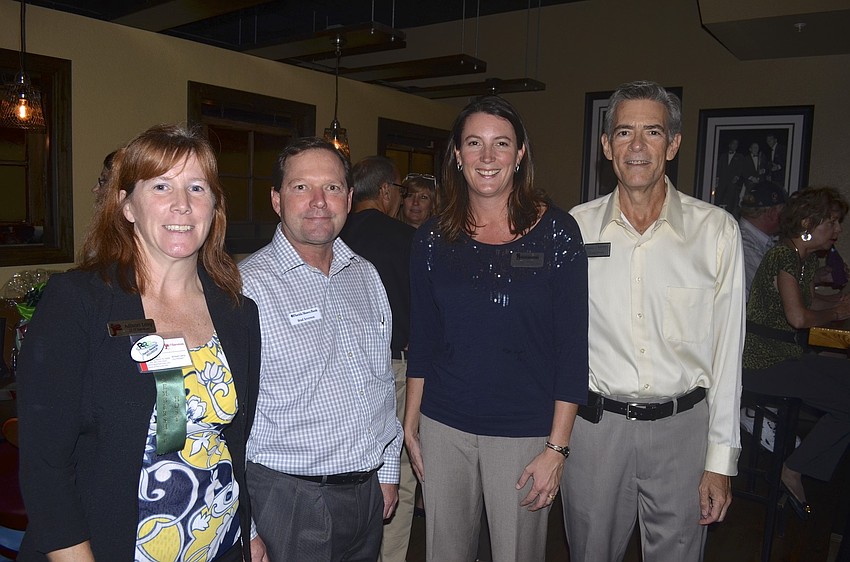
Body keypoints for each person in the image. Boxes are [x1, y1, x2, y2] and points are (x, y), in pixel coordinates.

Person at [16, 124, 260, 562]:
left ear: (214, 207)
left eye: (197, 187)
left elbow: (235, 443)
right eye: (161, 185)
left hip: (217, 541)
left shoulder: (238, 313)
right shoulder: (79, 302)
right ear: (127, 205)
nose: (182, 204)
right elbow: (45, 463)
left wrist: (248, 532)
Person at [565, 80, 744, 561]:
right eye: (624, 133)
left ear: (674, 143)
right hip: (594, 432)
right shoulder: (573, 229)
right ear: (607, 146)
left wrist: (720, 462)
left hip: (683, 434)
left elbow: (728, 358)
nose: (638, 146)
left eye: (653, 132)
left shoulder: (716, 232)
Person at [404, 95, 588, 562]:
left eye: (501, 144)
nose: (487, 157)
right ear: (457, 155)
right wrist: (411, 422)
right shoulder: (431, 238)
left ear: (520, 153)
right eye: (474, 143)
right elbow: (423, 338)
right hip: (444, 427)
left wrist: (557, 449)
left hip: (525, 433)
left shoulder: (559, 234)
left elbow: (572, 349)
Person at [239, 137, 403, 562]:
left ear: (349, 199)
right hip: (288, 499)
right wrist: (245, 523)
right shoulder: (245, 287)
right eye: (300, 187)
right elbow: (225, 420)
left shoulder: (366, 277)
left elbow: (382, 385)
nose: (318, 201)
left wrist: (386, 472)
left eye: (331, 188)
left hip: (366, 497)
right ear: (276, 200)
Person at [743, 186, 850, 520]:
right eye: (832, 222)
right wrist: (836, 312)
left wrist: (837, 305)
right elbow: (799, 317)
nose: (838, 231)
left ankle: (800, 465)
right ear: (808, 221)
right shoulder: (784, 256)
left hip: (782, 357)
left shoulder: (799, 258)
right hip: (763, 363)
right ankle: (793, 468)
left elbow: (808, 303)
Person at [339, 155, 417, 562]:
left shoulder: (332, 236)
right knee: (398, 471)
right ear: (386, 191)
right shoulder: (407, 240)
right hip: (397, 368)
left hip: (340, 368)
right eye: (400, 191)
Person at [739, 181, 787, 297]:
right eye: (784, 212)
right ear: (772, 213)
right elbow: (771, 292)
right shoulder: (743, 244)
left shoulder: (759, 241)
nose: (787, 218)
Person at [715, 138, 745, 215]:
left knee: (730, 200)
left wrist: (736, 177)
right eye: (733, 143)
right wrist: (717, 179)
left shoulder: (740, 156)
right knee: (719, 198)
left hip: (732, 181)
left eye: (736, 144)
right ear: (729, 145)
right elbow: (719, 167)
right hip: (722, 180)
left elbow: (740, 168)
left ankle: (729, 215)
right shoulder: (723, 156)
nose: (735, 145)